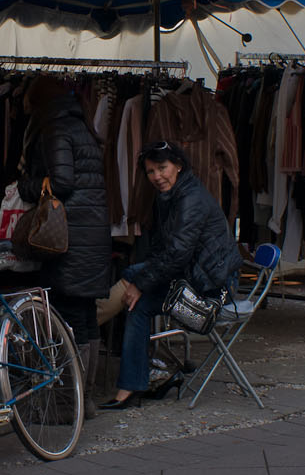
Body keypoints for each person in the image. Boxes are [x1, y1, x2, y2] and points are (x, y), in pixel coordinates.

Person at [99, 140, 239, 411]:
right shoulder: (173, 195)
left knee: (132, 281)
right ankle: (131, 387)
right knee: (135, 305)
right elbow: (164, 250)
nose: (157, 177)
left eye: (162, 168)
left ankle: (89, 323)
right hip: (192, 277)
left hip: (212, 288)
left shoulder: (190, 198)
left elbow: (176, 254)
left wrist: (140, 283)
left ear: (179, 166)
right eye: (151, 172)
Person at [16, 76, 112, 396]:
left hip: (69, 237)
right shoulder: (80, 123)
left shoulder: (55, 127)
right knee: (84, 315)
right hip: (91, 234)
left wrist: (27, 186)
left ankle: (69, 400)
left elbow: (62, 182)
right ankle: (86, 395)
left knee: (68, 316)